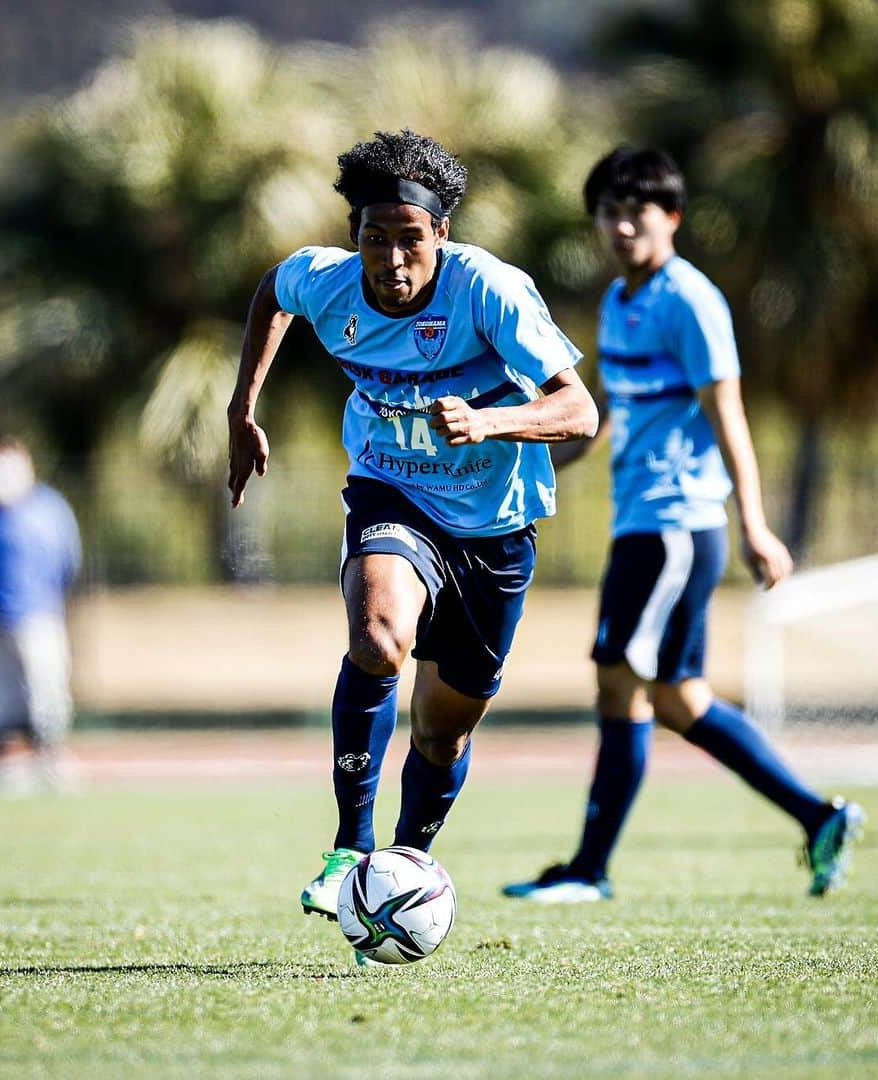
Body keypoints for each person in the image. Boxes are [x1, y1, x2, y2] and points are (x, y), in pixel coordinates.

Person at [226, 129, 599, 920]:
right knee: (377, 635)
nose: (391, 262)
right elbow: (271, 293)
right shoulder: (327, 284)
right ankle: (349, 851)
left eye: (408, 241)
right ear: (354, 237)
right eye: (373, 240)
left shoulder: (488, 291)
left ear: (442, 236)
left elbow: (580, 410)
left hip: (495, 528)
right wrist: (241, 407)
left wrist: (492, 424)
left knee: (440, 733)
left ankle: (404, 867)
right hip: (390, 491)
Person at [502, 147, 864, 902]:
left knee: (617, 684)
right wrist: (533, 462)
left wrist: (756, 527)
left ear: (672, 217)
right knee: (677, 699)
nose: (622, 224)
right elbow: (597, 416)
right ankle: (818, 816)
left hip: (675, 523)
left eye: (638, 211)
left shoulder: (692, 302)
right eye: (609, 211)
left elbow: (727, 415)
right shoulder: (618, 301)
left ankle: (588, 871)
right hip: (648, 521)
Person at [0, 436, 82, 787]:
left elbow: (68, 560)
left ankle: (49, 755)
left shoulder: (49, 509)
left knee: (46, 690)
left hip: (38, 616)